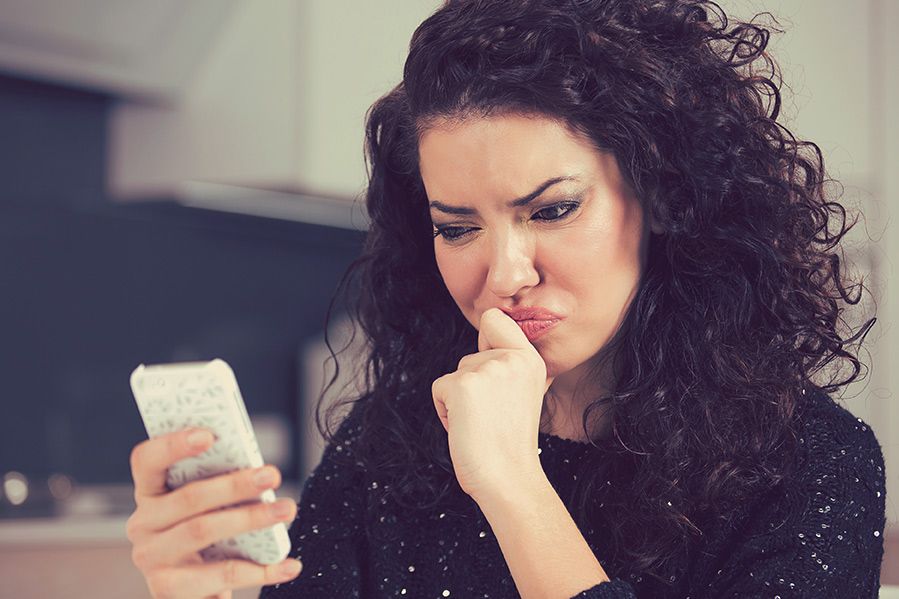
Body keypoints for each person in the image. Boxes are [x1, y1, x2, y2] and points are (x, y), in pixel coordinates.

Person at [125, 0, 887, 597]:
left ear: (660, 196)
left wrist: (512, 484)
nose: (502, 275)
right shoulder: (387, 442)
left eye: (551, 210)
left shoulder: (809, 465)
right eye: (457, 228)